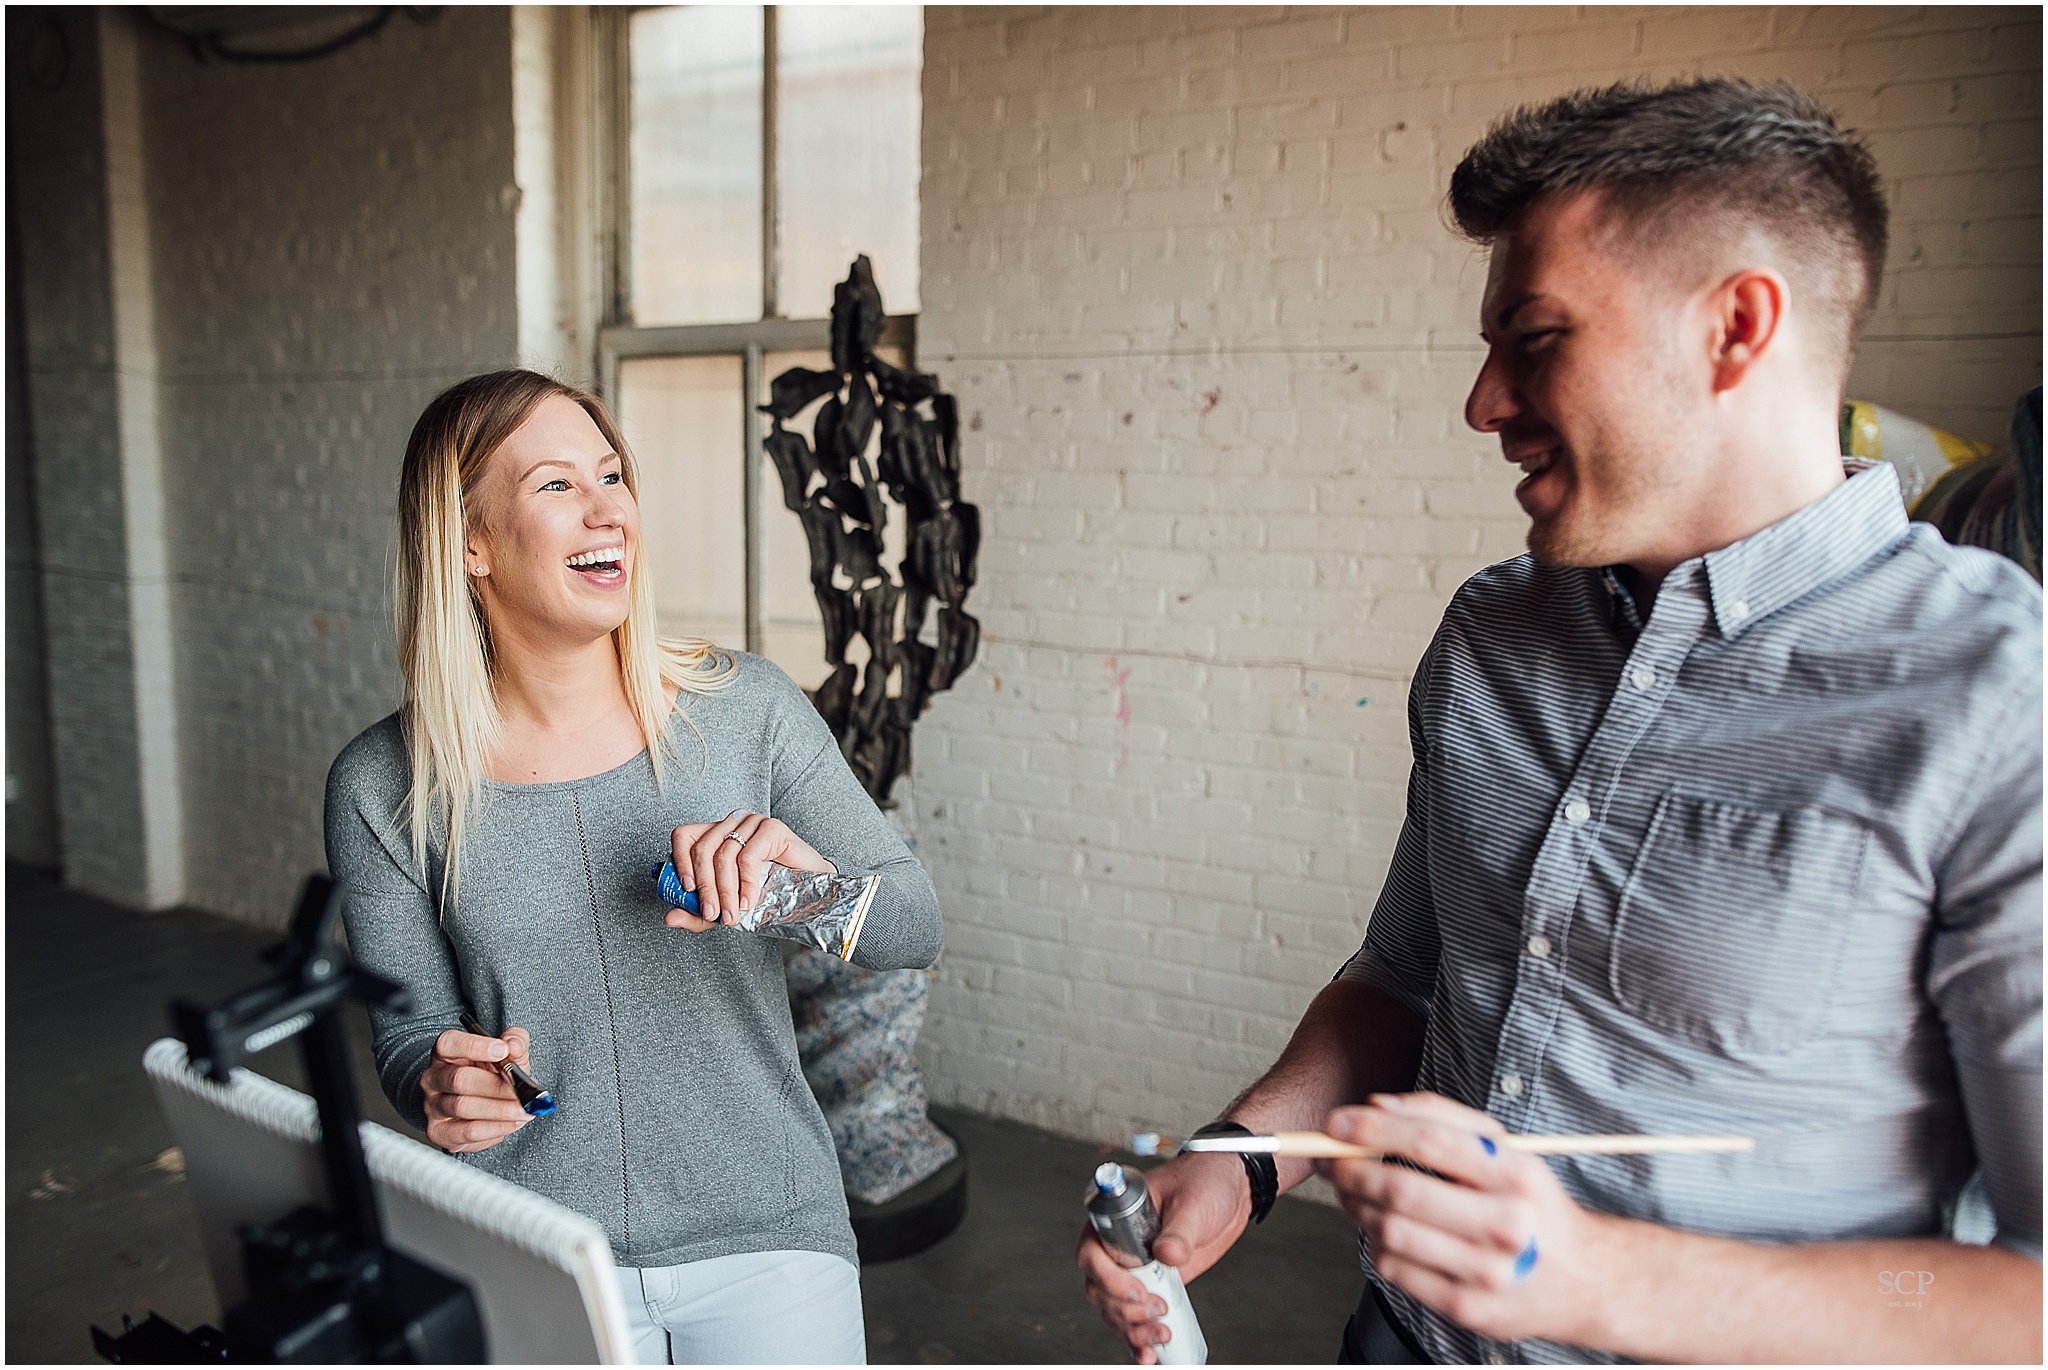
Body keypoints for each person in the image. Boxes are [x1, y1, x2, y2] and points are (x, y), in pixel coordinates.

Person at [1079, 77, 2041, 1364]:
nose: (1482, 402)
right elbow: (1406, 978)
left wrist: (1592, 1279)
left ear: (1734, 328)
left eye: (1533, 338)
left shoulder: (1993, 699)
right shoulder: (1490, 633)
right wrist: (1245, 1161)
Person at [326, 369, 943, 1364]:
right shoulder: (383, 783)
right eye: (557, 484)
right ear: (469, 540)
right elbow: (409, 1034)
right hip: (531, 1244)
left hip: (765, 1232)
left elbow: (915, 924)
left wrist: (790, 885)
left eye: (612, 474)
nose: (607, 506)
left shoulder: (745, 707)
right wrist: (441, 1083)